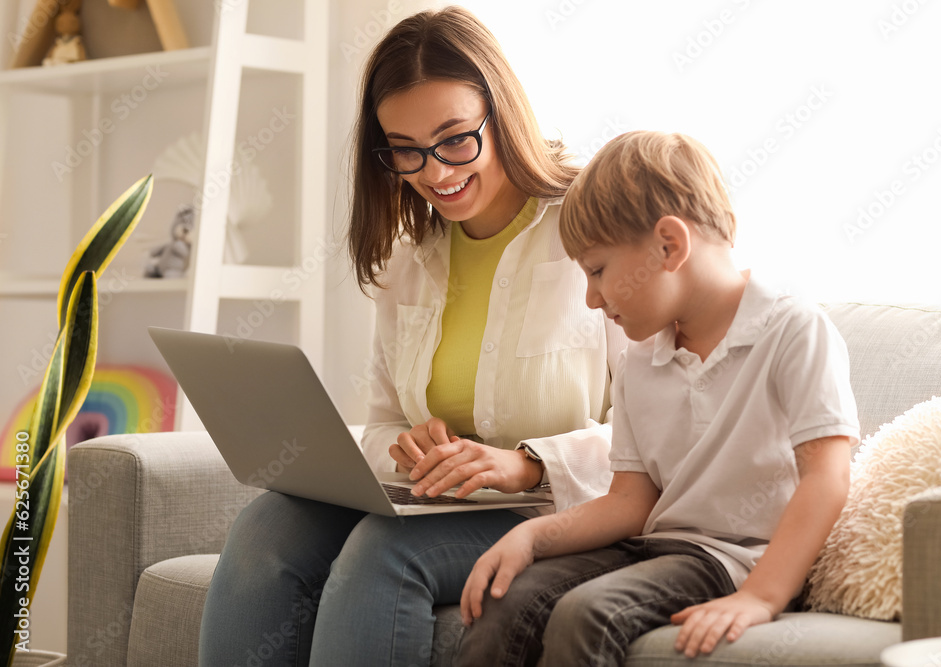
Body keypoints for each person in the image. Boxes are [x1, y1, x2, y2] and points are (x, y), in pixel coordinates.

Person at [198, 7, 623, 667]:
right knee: (266, 527)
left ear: (501, 111)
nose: (435, 171)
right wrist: (406, 447)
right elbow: (382, 422)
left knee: (382, 552)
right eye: (406, 149)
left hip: (561, 508)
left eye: (456, 138)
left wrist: (527, 462)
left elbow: (656, 433)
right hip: (439, 505)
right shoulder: (409, 260)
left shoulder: (592, 227)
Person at [456, 131, 859, 666]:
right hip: (653, 547)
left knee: (587, 614)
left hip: (730, 559)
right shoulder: (639, 362)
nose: (591, 298)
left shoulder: (794, 331)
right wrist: (532, 536)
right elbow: (630, 502)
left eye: (597, 270)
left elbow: (826, 477)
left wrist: (762, 594)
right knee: (502, 602)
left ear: (669, 245)